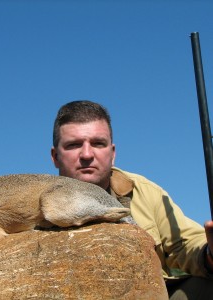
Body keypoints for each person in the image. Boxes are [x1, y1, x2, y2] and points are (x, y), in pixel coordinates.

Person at [50, 100, 213, 299]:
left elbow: (183, 244)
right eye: (73, 145)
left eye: (98, 143)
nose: (86, 154)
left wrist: (209, 253)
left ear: (113, 153)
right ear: (55, 156)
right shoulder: (33, 205)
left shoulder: (144, 191)